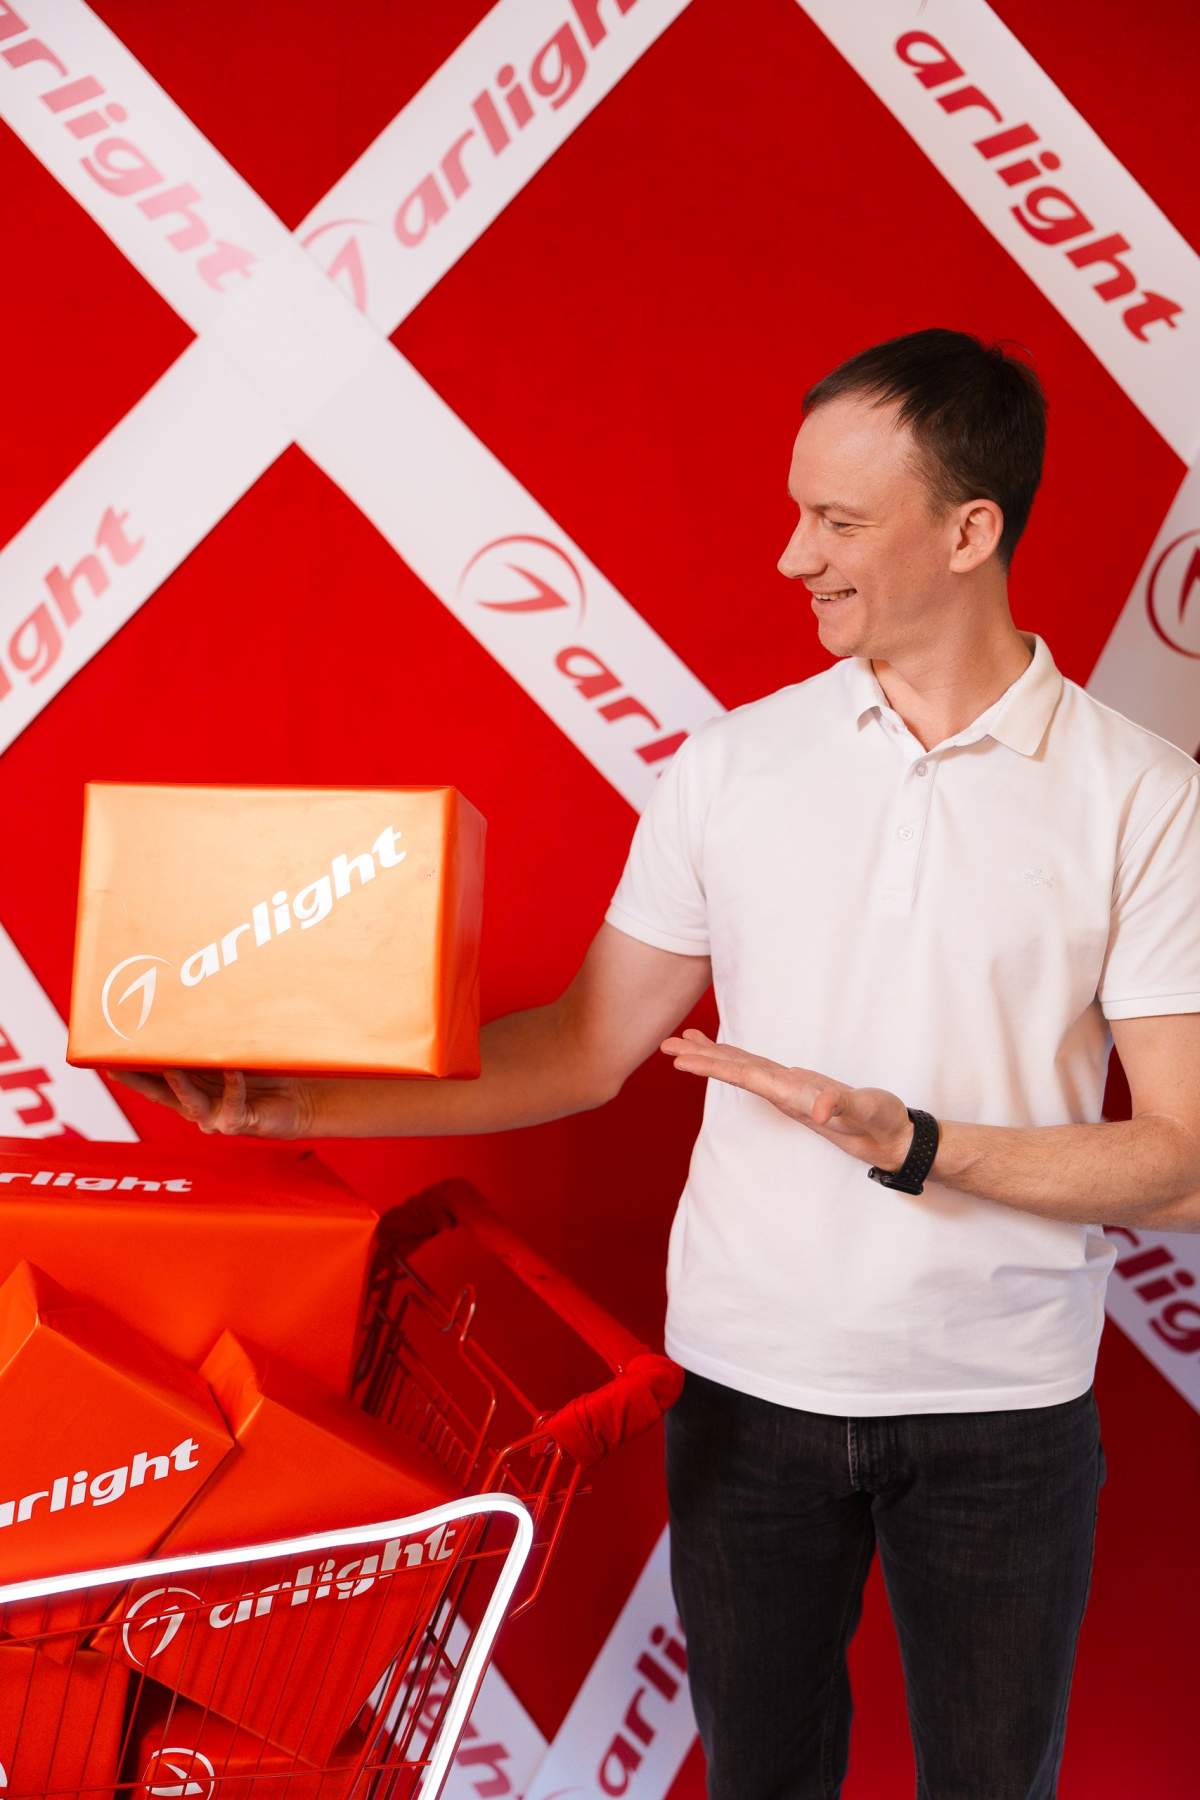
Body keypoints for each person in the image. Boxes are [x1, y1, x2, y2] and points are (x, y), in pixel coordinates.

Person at [116, 327, 1200, 1799]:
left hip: (1004, 1409)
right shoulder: (732, 768)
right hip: (747, 1394)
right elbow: (582, 1047)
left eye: (837, 521)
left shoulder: (1142, 797)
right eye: (796, 511)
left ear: (969, 533)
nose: (791, 557)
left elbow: (1181, 1165)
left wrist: (914, 1143)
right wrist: (293, 1102)